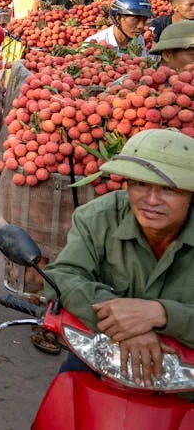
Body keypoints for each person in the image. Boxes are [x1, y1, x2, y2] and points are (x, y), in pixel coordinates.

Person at [44, 128, 194, 386]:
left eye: (169, 189)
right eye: (140, 184)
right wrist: (123, 325)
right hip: (103, 355)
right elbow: (62, 276)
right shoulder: (98, 217)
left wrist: (161, 314)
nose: (151, 200)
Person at [85, 0, 150, 56]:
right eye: (135, 19)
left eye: (144, 20)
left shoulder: (139, 39)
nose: (141, 26)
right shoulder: (94, 44)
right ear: (118, 18)